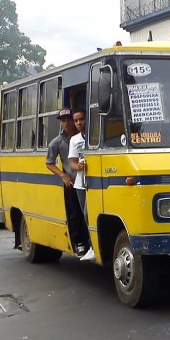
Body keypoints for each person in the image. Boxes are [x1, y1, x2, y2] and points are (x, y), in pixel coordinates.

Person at [45, 108, 91, 259]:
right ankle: (79, 244)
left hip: (88, 180)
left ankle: (90, 242)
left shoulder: (88, 137)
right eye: (63, 120)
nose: (67, 123)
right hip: (72, 181)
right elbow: (49, 163)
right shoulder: (57, 141)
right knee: (74, 214)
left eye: (68, 119)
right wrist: (63, 175)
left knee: (87, 213)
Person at [68, 109, 95, 261]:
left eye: (82, 119)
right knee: (86, 216)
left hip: (95, 181)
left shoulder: (96, 136)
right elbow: (72, 163)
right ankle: (91, 246)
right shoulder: (74, 140)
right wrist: (78, 166)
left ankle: (93, 246)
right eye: (76, 120)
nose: (79, 123)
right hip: (81, 183)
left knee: (92, 213)